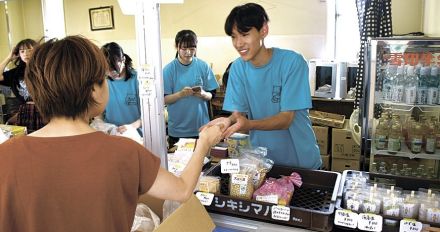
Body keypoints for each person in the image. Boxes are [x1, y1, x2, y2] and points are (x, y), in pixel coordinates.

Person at [0, 35, 223, 232]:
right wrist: (204, 142)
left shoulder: (6, 155)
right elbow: (182, 190)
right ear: (94, 90)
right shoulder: (123, 151)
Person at [204, 3, 321, 169]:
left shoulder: (292, 62)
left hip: (299, 161)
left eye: (244, 35)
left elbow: (286, 119)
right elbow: (239, 114)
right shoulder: (238, 67)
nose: (238, 43)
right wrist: (227, 121)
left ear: (263, 30)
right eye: (233, 37)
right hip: (262, 161)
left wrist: (249, 125)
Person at [163, 29, 219, 148]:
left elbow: (212, 94)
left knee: (203, 164)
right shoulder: (169, 70)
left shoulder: (203, 66)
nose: (188, 52)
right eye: (184, 48)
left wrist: (204, 94)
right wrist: (180, 95)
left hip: (201, 128)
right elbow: (163, 100)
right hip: (178, 131)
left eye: (192, 48)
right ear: (177, 46)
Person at [0, 38, 46, 132]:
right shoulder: (15, 73)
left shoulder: (46, 68)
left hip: (45, 110)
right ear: (18, 54)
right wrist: (9, 58)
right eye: (22, 51)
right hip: (25, 111)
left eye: (30, 50)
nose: (26, 53)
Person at [100, 42, 141, 135]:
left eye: (113, 68)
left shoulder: (138, 80)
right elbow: (99, 113)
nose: (110, 72)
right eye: (107, 69)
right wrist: (103, 126)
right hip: (111, 136)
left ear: (123, 59)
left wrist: (132, 126)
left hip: (136, 136)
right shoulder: (102, 82)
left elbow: (149, 115)